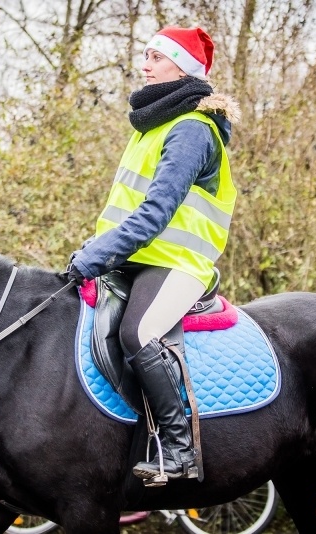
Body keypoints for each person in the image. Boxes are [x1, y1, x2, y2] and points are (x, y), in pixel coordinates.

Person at [65, 26, 240, 482]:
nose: (144, 65)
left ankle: (180, 450)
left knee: (139, 333)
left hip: (179, 263)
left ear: (182, 68)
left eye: (155, 57)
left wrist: (97, 255)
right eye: (145, 55)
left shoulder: (192, 131)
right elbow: (124, 209)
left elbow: (155, 212)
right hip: (137, 260)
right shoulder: (152, 128)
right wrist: (94, 249)